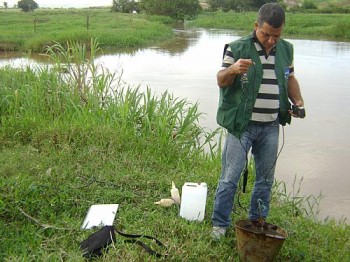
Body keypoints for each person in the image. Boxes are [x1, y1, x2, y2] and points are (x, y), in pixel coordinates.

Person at [211, 3, 304, 240]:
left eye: (277, 35)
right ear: (256, 26)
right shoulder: (237, 47)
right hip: (242, 126)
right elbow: (221, 80)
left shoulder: (286, 49)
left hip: (271, 126)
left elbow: (290, 78)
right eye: (266, 34)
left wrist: (299, 102)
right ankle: (219, 225)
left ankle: (257, 223)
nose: (271, 40)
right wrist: (232, 69)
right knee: (230, 176)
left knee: (265, 179)